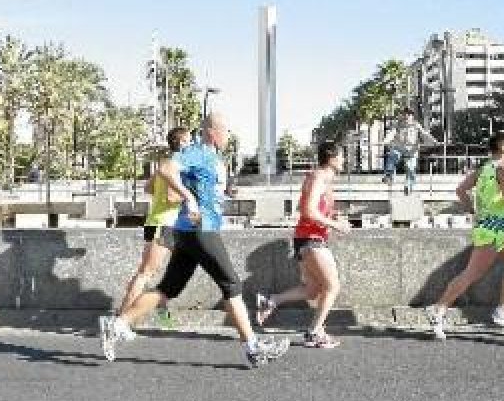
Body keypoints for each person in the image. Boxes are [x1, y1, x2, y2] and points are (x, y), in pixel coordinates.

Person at [99, 112, 290, 368]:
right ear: (212, 131)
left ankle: (117, 324)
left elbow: (203, 186)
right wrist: (188, 197)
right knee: (231, 285)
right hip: (201, 230)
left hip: (186, 232)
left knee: (168, 289)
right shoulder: (198, 151)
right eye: (225, 131)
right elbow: (166, 169)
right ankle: (253, 346)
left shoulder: (211, 157)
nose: (228, 135)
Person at [424, 132, 504, 339]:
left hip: (493, 227)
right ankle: (438, 310)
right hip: (494, 230)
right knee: (472, 273)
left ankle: (502, 311)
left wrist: (473, 211)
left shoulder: (483, 169)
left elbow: (460, 190)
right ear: (503, 147)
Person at [255, 140, 349, 348]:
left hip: (307, 238)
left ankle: (271, 301)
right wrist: (335, 224)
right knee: (332, 286)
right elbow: (307, 210)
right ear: (332, 158)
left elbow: (305, 206)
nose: (344, 160)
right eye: (342, 156)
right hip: (311, 239)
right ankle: (314, 332)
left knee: (313, 289)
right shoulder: (318, 178)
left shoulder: (320, 178)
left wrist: (333, 215)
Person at [115, 127, 191, 328]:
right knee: (146, 273)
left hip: (161, 222)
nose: (192, 144)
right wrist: (190, 198)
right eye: (189, 141)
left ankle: (163, 318)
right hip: (163, 224)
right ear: (181, 143)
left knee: (166, 275)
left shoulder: (166, 165)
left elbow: (148, 188)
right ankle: (119, 321)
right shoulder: (174, 166)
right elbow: (171, 196)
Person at [383, 108, 438, 195]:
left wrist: (433, 140)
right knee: (393, 154)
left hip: (412, 150)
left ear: (412, 117)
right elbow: (391, 133)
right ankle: (389, 175)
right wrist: (385, 141)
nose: (406, 117)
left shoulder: (416, 125)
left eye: (408, 115)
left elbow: (424, 133)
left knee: (411, 168)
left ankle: (408, 185)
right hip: (399, 148)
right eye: (405, 115)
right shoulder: (397, 125)